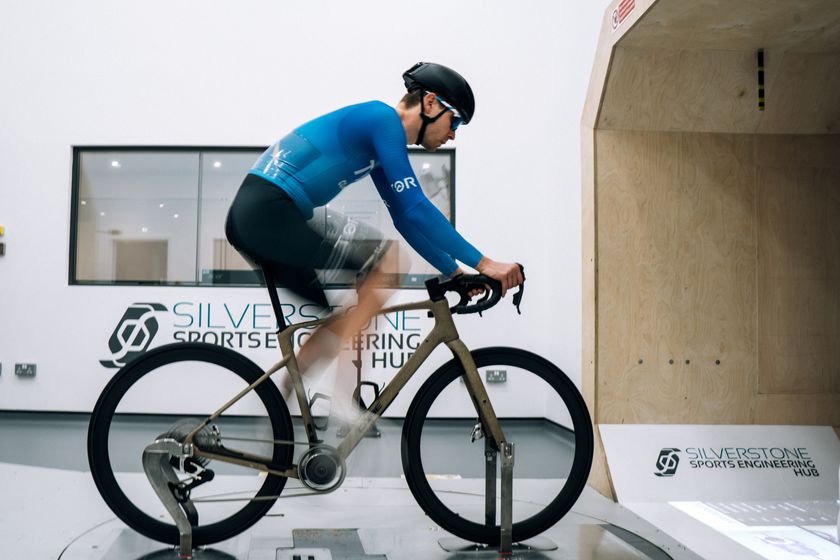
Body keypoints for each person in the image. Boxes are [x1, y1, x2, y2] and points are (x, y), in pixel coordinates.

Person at [225, 61, 524, 407]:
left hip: (264, 214)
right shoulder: (383, 120)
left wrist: (455, 273)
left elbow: (405, 218)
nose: (453, 133)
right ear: (429, 104)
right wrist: (485, 263)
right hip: (268, 211)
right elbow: (415, 208)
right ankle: (343, 401)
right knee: (388, 264)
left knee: (339, 317)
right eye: (454, 120)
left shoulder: (381, 143)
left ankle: (278, 413)